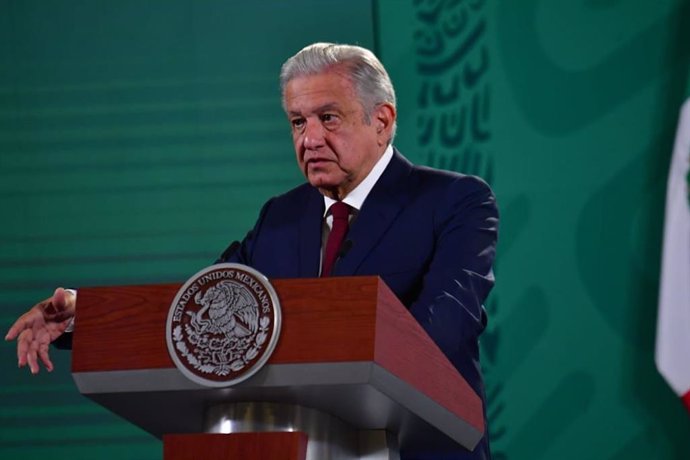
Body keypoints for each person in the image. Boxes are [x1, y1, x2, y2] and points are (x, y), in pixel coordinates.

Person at [5, 43, 498, 459]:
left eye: (329, 118)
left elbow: (444, 326)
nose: (310, 139)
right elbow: (199, 312)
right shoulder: (281, 216)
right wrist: (82, 315)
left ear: (382, 121)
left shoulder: (454, 201)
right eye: (297, 122)